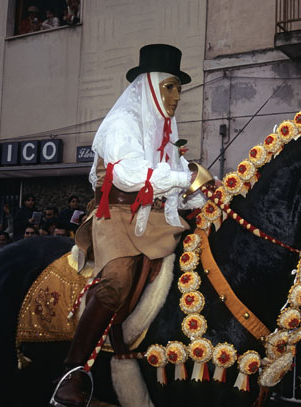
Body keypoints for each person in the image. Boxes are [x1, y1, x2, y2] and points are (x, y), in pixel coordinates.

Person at [51, 44, 211, 407]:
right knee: (117, 279)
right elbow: (127, 174)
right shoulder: (121, 124)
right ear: (150, 86)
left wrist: (201, 195)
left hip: (158, 219)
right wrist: (181, 180)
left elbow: (172, 189)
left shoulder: (167, 136)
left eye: (179, 89)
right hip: (116, 216)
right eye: (169, 87)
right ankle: (72, 373)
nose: (176, 97)